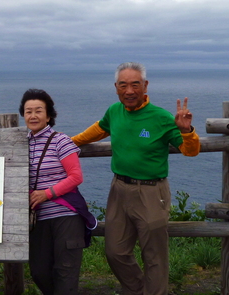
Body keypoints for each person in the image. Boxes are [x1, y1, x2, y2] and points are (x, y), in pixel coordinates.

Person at [72, 62, 200, 295]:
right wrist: (68, 143)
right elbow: (98, 130)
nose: (129, 91)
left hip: (151, 192)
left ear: (145, 86)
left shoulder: (161, 117)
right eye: (123, 85)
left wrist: (186, 131)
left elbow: (190, 151)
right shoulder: (114, 111)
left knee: (154, 256)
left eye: (135, 85)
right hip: (119, 188)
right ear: (116, 87)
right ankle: (138, 289)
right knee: (115, 251)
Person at [0, 89, 94, 295]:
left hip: (66, 215)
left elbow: (76, 177)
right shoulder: (20, 141)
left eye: (38, 111)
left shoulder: (61, 141)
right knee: (39, 272)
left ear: (49, 115)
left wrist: (46, 194)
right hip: (37, 217)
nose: (33, 116)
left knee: (65, 272)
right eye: (28, 111)